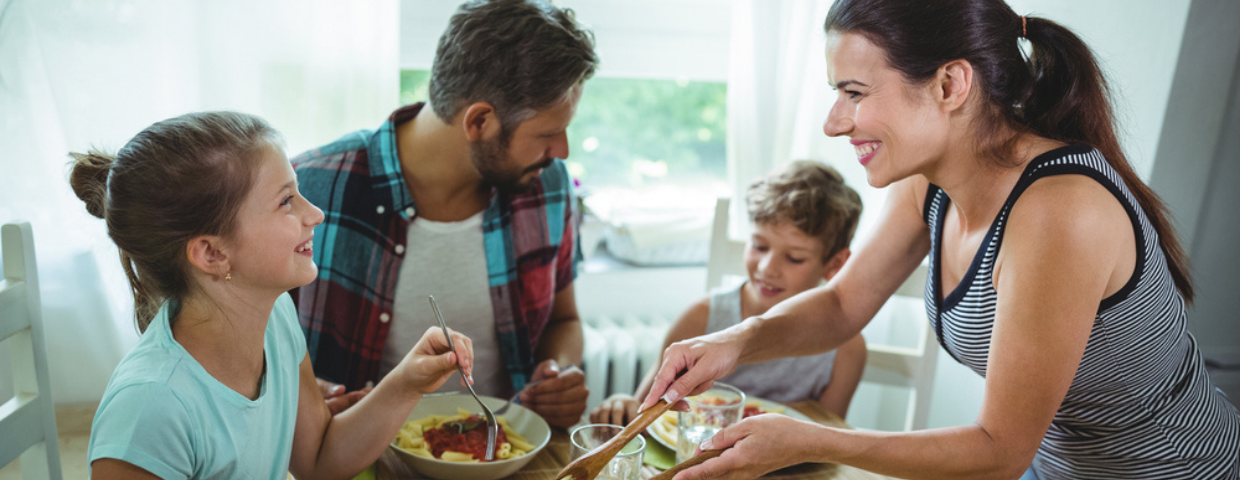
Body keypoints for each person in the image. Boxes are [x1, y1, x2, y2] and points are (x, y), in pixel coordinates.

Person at [639, 0, 1240, 479]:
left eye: (854, 92)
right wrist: (737, 341)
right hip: (1057, 466)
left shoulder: (1061, 213)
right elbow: (845, 304)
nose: (833, 122)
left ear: (951, 84)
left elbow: (998, 452)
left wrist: (809, 440)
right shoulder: (930, 183)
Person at [72, 112, 476, 479]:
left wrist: (408, 382)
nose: (315, 213)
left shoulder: (276, 316)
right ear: (212, 253)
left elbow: (317, 458)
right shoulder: (150, 409)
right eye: (286, 201)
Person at [290, 0, 597, 428]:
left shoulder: (547, 184)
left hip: (502, 452)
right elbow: (246, 348)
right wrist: (298, 390)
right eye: (547, 133)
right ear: (480, 122)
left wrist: (559, 371)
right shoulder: (310, 187)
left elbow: (565, 320)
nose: (562, 151)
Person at [590, 161, 867, 425]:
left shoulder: (845, 347)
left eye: (794, 258)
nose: (767, 268)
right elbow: (645, 410)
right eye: (759, 245)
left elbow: (825, 441)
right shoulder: (702, 318)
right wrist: (622, 405)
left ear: (834, 264)